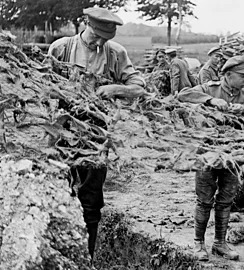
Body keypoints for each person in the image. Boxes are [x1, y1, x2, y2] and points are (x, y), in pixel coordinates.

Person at [47, 7, 147, 261]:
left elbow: (138, 88)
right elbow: (44, 89)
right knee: (58, 194)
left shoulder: (116, 53)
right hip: (63, 131)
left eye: (106, 38)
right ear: (85, 24)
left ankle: (86, 259)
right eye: (97, 36)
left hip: (97, 134)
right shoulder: (61, 48)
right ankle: (57, 256)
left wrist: (115, 88)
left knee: (91, 202)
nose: (100, 42)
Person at [178, 56, 244, 261]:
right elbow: (183, 95)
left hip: (233, 155)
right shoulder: (210, 89)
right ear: (227, 75)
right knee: (204, 200)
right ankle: (198, 243)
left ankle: (220, 243)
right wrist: (210, 100)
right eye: (242, 76)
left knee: (226, 199)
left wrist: (243, 109)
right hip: (207, 153)